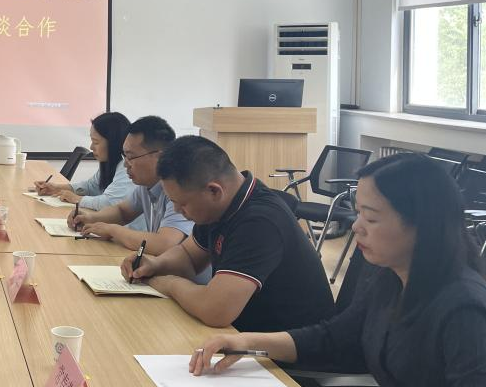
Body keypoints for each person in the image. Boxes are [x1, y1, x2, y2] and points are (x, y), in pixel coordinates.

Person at [191, 153, 486, 387]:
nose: (356, 226)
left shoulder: (466, 310)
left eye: (370, 217)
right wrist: (248, 342)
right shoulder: (391, 277)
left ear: (421, 224)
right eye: (357, 213)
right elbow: (334, 338)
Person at [122, 135, 334, 331]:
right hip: (244, 335)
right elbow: (188, 257)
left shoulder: (259, 221)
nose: (178, 211)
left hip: (286, 350)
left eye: (182, 203)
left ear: (214, 190)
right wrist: (155, 265)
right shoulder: (221, 205)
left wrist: (169, 284)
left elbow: (215, 310)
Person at [66, 116, 197, 255]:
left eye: (131, 157)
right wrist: (91, 218)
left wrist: (113, 230)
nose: (125, 164)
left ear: (159, 157)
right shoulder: (146, 185)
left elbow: (165, 244)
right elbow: (122, 212)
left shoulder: (180, 189)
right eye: (125, 156)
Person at [33, 112, 134, 211]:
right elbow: (91, 187)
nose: (91, 147)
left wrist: (77, 199)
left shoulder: (128, 167)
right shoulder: (110, 162)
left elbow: (109, 203)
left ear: (113, 143)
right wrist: (56, 188)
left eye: (96, 142)